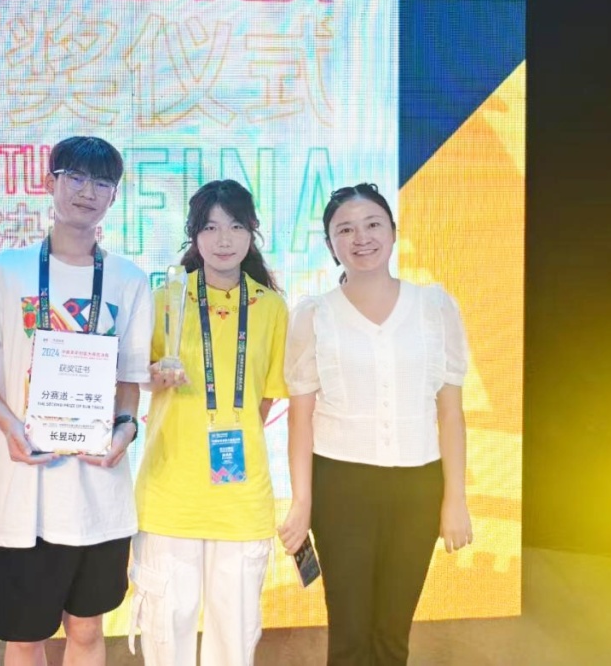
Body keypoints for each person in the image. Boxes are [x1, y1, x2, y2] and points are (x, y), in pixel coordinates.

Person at [0, 136, 153, 666]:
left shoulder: (128, 280)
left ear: (114, 195)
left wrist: (126, 429)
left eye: (101, 182)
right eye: (74, 177)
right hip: (25, 491)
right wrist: (9, 426)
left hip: (98, 491)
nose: (87, 192)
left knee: (88, 630)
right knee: (25, 637)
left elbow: (129, 377)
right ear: (49, 182)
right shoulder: (5, 271)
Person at [278, 182, 473, 666]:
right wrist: (302, 501)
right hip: (341, 486)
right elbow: (300, 419)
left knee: (392, 634)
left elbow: (450, 412)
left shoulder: (434, 307)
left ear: (392, 231)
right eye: (345, 230)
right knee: (349, 635)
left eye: (372, 225)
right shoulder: (314, 315)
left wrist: (456, 499)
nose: (360, 238)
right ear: (330, 244)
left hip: (418, 485)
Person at [130, 180, 289, 666]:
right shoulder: (165, 299)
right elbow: (134, 377)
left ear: (252, 233)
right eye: (211, 227)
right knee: (166, 635)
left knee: (234, 640)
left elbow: (263, 400)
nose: (224, 239)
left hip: (240, 499)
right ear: (194, 234)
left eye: (236, 226)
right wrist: (154, 377)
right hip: (169, 494)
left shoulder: (270, 307)